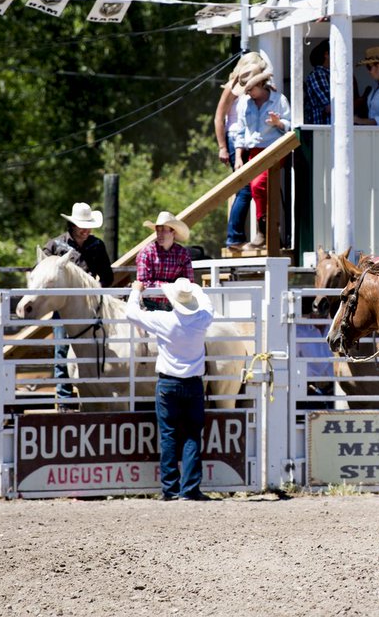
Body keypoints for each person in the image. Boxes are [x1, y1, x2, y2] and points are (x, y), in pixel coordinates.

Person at [126, 277, 214, 501]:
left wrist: (136, 291)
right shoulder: (203, 318)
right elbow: (206, 301)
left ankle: (170, 489)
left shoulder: (163, 320)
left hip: (168, 383)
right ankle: (190, 488)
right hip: (193, 383)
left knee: (168, 435)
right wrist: (194, 288)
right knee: (192, 435)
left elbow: (132, 314)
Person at [43, 202, 114, 406]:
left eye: (88, 226)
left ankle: (90, 392)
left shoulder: (96, 245)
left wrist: (95, 290)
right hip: (64, 308)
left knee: (94, 349)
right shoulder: (55, 246)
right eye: (82, 225)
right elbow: (42, 273)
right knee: (62, 349)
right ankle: (64, 400)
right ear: (72, 225)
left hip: (91, 309)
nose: (86, 230)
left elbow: (107, 276)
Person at [231, 59, 292, 250]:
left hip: (274, 150)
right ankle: (271, 234)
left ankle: (262, 233)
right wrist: (239, 157)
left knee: (258, 186)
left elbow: (291, 127)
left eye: (250, 89)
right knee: (261, 190)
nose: (248, 93)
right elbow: (240, 133)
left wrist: (278, 123)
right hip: (253, 152)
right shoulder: (244, 104)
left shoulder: (279, 100)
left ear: (260, 84)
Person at [216, 53, 263, 249]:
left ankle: (237, 236)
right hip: (235, 139)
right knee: (244, 189)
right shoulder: (231, 89)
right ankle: (234, 237)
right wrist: (222, 147)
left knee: (249, 188)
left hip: (247, 139)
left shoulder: (251, 89)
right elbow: (219, 118)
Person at [136, 211, 194, 311]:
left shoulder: (183, 254)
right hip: (149, 306)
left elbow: (188, 283)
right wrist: (173, 287)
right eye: (158, 230)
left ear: (173, 232)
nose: (159, 234)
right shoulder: (146, 252)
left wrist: (163, 287)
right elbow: (143, 283)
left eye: (163, 230)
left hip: (175, 306)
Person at [303, 40, 331, 125]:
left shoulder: (328, 74)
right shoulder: (318, 75)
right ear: (326, 54)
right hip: (323, 130)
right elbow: (330, 107)